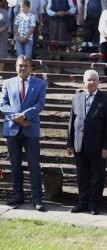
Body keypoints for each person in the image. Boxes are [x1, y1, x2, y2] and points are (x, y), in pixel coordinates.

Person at [0, 56, 46, 211]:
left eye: (26, 66)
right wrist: (18, 118)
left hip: (31, 129)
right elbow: (3, 104)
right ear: (15, 67)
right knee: (15, 165)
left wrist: (25, 116)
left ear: (31, 68)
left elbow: (40, 105)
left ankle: (37, 198)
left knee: (34, 165)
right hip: (12, 129)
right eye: (20, 65)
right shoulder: (7, 83)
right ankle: (18, 195)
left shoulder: (40, 84)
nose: (22, 68)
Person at [67, 70, 107, 215]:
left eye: (94, 80)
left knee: (97, 177)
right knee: (82, 176)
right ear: (84, 81)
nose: (92, 82)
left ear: (98, 82)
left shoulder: (106, 100)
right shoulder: (77, 98)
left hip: (98, 146)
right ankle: (82, 202)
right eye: (89, 80)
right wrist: (69, 143)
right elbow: (71, 122)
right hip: (79, 145)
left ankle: (94, 204)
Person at [0, 0, 10, 70]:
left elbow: (8, 24)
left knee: (2, 54)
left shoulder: (5, 12)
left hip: (3, 35)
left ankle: (0, 73)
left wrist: (1, 29)